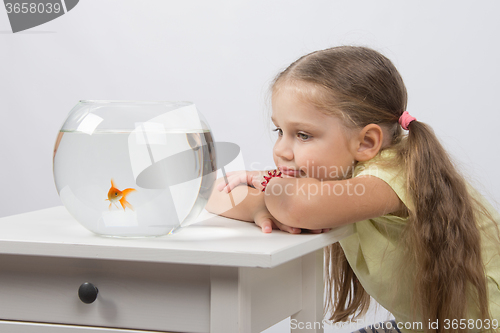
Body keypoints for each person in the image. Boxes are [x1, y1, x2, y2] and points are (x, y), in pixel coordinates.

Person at [205, 46, 500, 333]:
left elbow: (297, 207)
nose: (281, 150)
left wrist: (267, 190)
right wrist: (260, 206)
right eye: (279, 131)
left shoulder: (390, 174)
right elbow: (217, 193)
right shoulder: (329, 175)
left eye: (303, 135)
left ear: (366, 143)